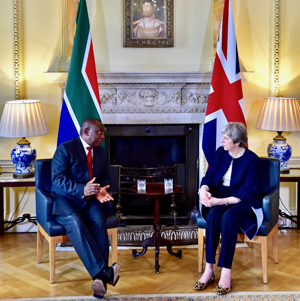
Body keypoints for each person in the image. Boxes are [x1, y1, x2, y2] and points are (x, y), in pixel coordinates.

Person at [51, 118, 120, 299]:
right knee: (75, 221)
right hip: (66, 199)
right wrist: (82, 189)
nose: (103, 137)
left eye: (103, 133)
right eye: (99, 132)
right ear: (86, 131)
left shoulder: (102, 153)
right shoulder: (65, 149)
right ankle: (103, 274)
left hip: (91, 199)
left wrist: (103, 190)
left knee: (99, 219)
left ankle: (100, 281)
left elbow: (105, 178)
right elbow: (57, 180)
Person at [194, 122, 263, 295]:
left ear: (237, 142)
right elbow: (209, 177)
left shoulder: (252, 160)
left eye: (226, 138)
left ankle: (226, 272)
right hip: (220, 197)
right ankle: (209, 269)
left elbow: (247, 192)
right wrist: (204, 191)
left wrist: (218, 201)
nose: (222, 140)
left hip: (244, 201)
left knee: (228, 217)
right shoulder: (220, 153)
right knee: (213, 217)